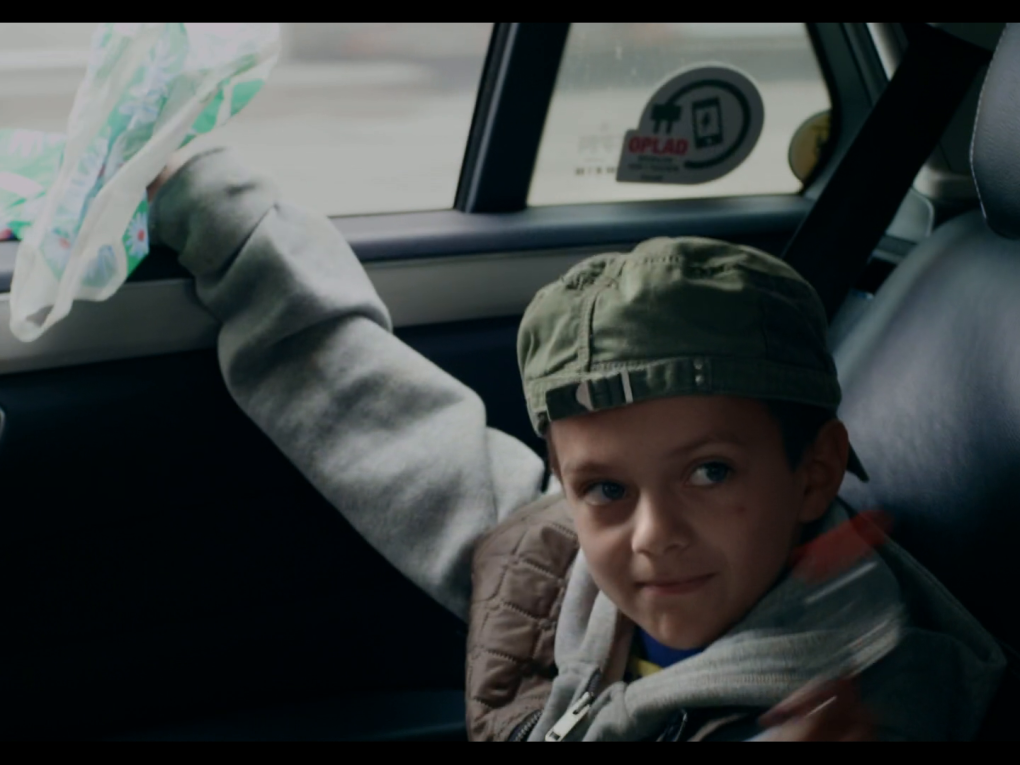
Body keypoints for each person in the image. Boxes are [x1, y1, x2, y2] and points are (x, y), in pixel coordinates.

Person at [146, 149, 1005, 741]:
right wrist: (212, 204)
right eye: (605, 489)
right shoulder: (556, 559)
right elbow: (368, 409)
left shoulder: (876, 699)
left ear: (814, 472)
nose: (651, 534)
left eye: (710, 471)